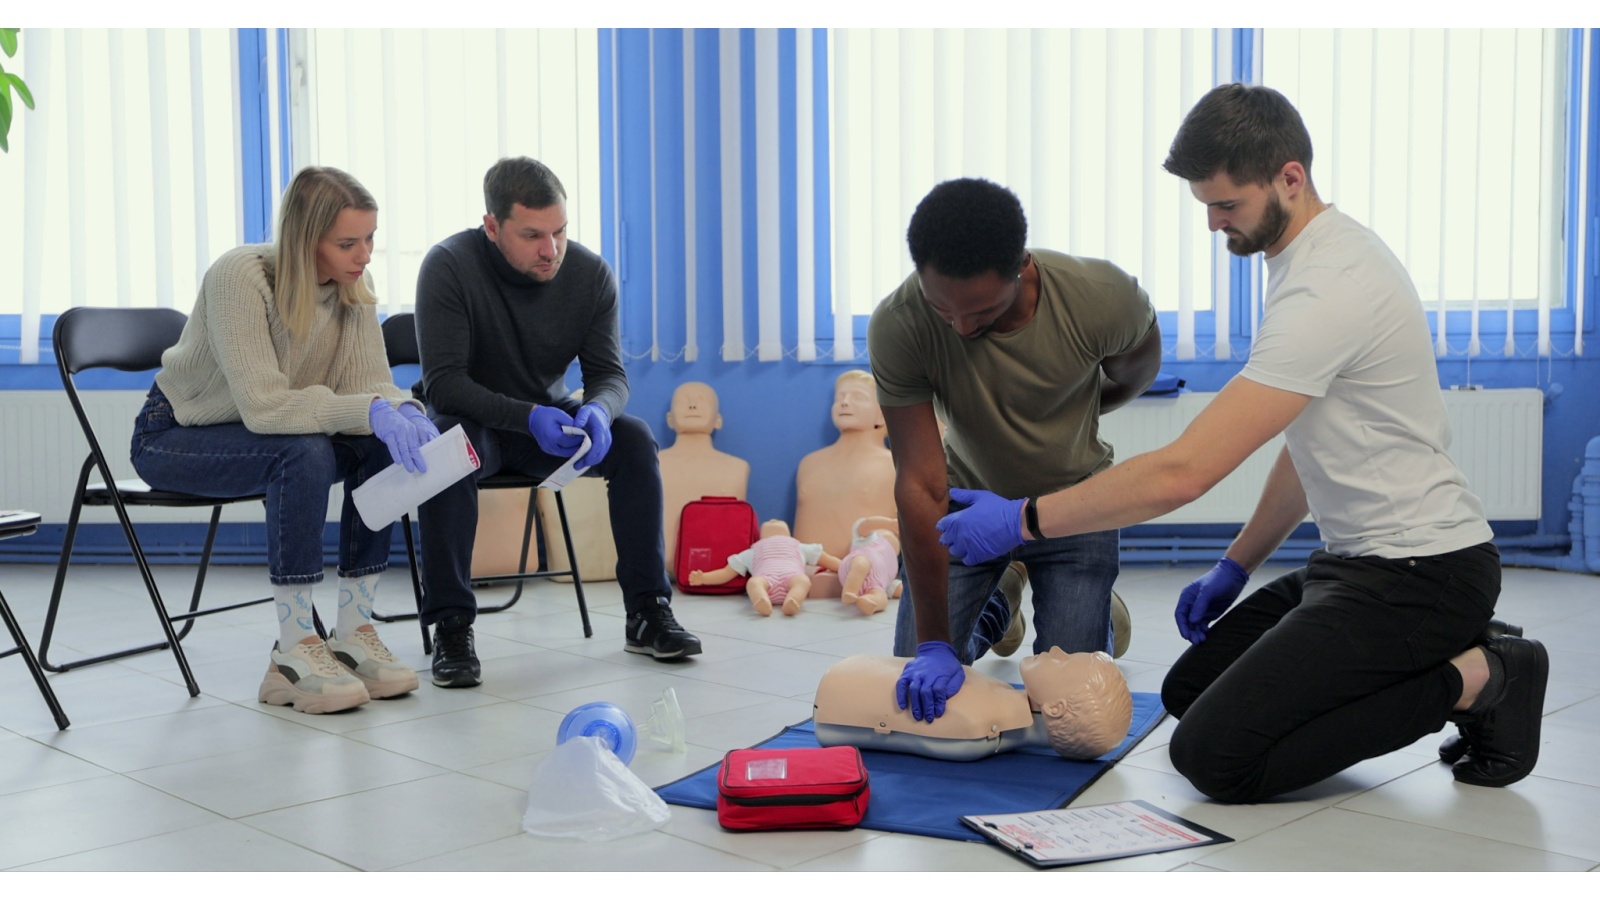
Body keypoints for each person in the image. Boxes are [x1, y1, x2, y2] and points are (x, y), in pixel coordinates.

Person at [934, 84, 1547, 801]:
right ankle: (1439, 655)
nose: (1213, 223)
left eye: (1227, 205)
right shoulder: (1304, 259)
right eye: (1206, 206)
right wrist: (1237, 562)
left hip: (1423, 575)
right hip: (1353, 567)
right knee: (1190, 689)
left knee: (1217, 758)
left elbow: (1184, 472)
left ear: (1290, 176)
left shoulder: (1329, 284)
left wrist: (1019, 520)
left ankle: (1482, 675)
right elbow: (1309, 441)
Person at [131, 166, 429, 715]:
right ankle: (294, 648)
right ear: (303, 238)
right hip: (174, 434)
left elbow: (369, 385)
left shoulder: (352, 288)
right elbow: (266, 407)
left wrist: (405, 409)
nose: (363, 254)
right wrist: (370, 409)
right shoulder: (239, 277)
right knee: (306, 448)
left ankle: (352, 631)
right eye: (347, 243)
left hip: (270, 433)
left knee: (380, 443)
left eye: (369, 239)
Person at [868, 177, 1162, 711]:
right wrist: (933, 645)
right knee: (920, 682)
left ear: (1021, 267)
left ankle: (1100, 614)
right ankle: (1001, 602)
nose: (959, 326)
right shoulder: (899, 322)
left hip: (1073, 505)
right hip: (968, 506)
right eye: (944, 309)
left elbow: (1139, 367)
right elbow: (918, 479)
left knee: (1071, 697)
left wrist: (1082, 410)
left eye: (980, 312)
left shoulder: (1100, 297)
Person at [412, 156, 703, 687]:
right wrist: (527, 415)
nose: (551, 250)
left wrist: (598, 411)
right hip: (476, 420)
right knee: (448, 450)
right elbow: (445, 384)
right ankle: (452, 627)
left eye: (560, 231)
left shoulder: (589, 274)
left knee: (634, 439)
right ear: (493, 227)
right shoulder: (449, 266)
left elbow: (610, 376)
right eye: (532, 235)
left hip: (549, 422)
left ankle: (647, 610)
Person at [814, 648, 1133, 761]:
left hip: (837, 695)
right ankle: (999, 609)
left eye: (1063, 662)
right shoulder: (998, 711)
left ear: (1055, 708)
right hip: (845, 685)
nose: (1057, 649)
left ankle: (997, 610)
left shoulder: (978, 726)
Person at [793, 370, 897, 598]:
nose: (845, 402)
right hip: (803, 574)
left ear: (881, 414)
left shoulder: (894, 464)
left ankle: (860, 575)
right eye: (839, 398)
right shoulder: (809, 463)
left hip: (868, 571)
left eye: (858, 396)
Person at [659, 381, 750, 575]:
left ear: (718, 420)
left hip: (719, 570)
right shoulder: (652, 463)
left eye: (701, 401)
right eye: (684, 401)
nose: (692, 405)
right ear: (669, 419)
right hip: (658, 569)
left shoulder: (737, 467)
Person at [688, 519, 842, 616]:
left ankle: (786, 600)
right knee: (800, 581)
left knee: (758, 582)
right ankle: (771, 600)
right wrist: (844, 567)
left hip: (773, 580)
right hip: (782, 579)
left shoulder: (753, 551)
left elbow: (726, 572)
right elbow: (827, 560)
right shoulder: (798, 547)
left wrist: (704, 578)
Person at [836, 516, 903, 615]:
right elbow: (866, 524)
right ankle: (850, 590)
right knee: (861, 564)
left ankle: (870, 602)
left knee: (882, 596)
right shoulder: (866, 539)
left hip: (876, 585)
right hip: (855, 567)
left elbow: (894, 586)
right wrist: (890, 524)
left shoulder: (891, 567)